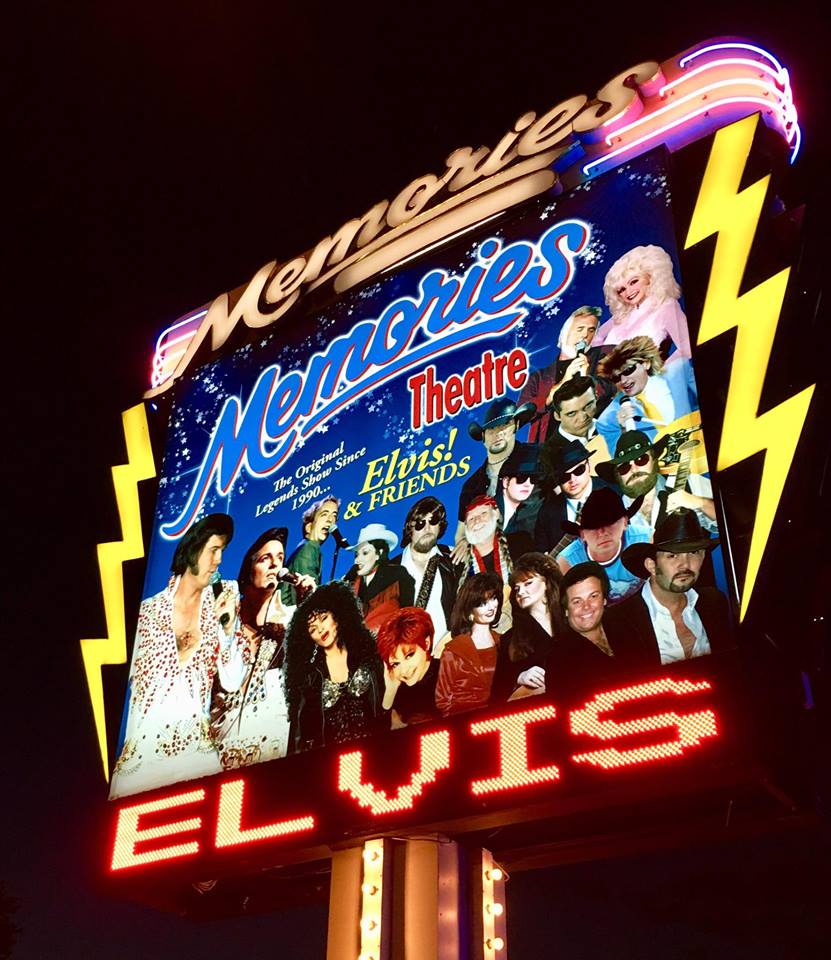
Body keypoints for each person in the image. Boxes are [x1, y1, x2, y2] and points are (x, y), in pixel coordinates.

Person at [110, 513, 245, 798]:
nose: (219, 560)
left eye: (222, 551)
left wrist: (228, 629)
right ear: (193, 550)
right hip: (141, 761)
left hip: (195, 755)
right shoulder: (146, 614)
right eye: (213, 550)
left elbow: (233, 680)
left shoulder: (222, 601)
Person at [210, 527, 314, 769]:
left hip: (269, 749)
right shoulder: (223, 621)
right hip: (216, 751)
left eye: (280, 558)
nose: (275, 565)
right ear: (249, 569)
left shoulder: (291, 621)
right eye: (265, 558)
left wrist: (307, 605)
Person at [610, 509, 731, 665]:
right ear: (651, 565)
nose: (685, 565)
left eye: (693, 552)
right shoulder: (621, 620)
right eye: (672, 555)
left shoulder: (715, 602)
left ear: (703, 557)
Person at [285, 581, 383, 752]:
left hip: (376, 751)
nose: (320, 629)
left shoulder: (366, 655)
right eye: (312, 629)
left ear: (337, 617)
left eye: (323, 618)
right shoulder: (310, 677)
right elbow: (300, 735)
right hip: (334, 761)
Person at [545, 561, 647, 699]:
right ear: (566, 610)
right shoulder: (558, 658)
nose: (586, 607)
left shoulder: (625, 626)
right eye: (577, 601)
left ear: (604, 599)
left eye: (593, 596)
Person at [453, 398, 537, 561]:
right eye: (491, 429)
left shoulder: (537, 456)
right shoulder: (471, 486)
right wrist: (464, 541)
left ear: (516, 425)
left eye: (505, 425)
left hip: (539, 555)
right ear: (483, 437)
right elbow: (460, 533)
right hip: (496, 564)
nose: (498, 433)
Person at [518, 306, 614, 441]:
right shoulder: (538, 378)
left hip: (595, 440)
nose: (585, 335)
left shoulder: (604, 355)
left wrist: (586, 378)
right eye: (580, 329)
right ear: (565, 332)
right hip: (550, 448)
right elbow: (520, 417)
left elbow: (611, 389)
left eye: (591, 330)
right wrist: (559, 386)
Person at [596, 336, 699, 457]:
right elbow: (622, 461)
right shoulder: (608, 419)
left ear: (646, 363)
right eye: (616, 378)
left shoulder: (679, 372)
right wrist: (624, 431)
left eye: (628, 370)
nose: (623, 381)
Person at [596, 429, 716, 533]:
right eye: (624, 467)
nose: (634, 469)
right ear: (617, 475)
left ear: (654, 460)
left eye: (641, 459)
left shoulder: (687, 482)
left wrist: (699, 502)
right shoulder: (612, 513)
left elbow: (726, 514)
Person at [594, 244, 692, 361]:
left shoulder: (666, 307)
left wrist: (659, 370)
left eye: (633, 282)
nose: (628, 292)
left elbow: (686, 348)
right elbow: (596, 337)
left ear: (650, 277)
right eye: (621, 290)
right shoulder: (623, 315)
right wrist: (600, 362)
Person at [556, 487, 651, 604]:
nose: (602, 533)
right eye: (593, 527)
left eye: (610, 523)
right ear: (582, 534)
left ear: (625, 522)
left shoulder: (647, 540)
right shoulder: (567, 563)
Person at [390, 497, 460, 652]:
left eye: (433, 521)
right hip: (409, 656)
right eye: (420, 523)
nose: (427, 528)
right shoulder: (390, 569)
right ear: (410, 529)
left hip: (449, 654)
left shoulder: (453, 559)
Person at [492, 553, 564, 702]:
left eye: (528, 583)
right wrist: (519, 677)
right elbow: (497, 694)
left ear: (546, 583)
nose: (521, 592)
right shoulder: (509, 640)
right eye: (517, 588)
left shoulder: (572, 622)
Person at [435, 572, 503, 717]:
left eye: (493, 598)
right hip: (464, 721)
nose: (491, 607)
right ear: (470, 611)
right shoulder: (453, 650)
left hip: (499, 719)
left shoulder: (504, 642)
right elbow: (443, 702)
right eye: (482, 603)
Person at [534, 440, 608, 556]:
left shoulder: (614, 492)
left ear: (589, 465)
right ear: (557, 479)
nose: (572, 480)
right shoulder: (546, 513)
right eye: (564, 476)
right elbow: (542, 556)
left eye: (579, 471)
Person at [344, 523, 415, 635]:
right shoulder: (353, 577)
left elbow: (409, 617)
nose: (357, 560)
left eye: (365, 553)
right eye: (356, 555)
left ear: (379, 553)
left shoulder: (398, 574)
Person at [376, 607, 441, 728]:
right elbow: (379, 732)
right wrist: (390, 691)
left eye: (409, 656)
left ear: (426, 644)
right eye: (396, 664)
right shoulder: (396, 689)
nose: (404, 670)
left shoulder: (447, 671)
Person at [540, 375, 611, 478]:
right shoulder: (547, 456)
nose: (583, 418)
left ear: (596, 397)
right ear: (557, 416)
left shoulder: (613, 424)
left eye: (588, 406)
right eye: (572, 413)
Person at [282, 496, 340, 601]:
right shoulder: (310, 547)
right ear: (308, 527)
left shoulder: (303, 547)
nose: (330, 520)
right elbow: (308, 592)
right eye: (324, 514)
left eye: (334, 516)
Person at [498, 447, 544, 561]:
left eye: (533, 479)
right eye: (521, 478)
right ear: (506, 482)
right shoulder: (491, 508)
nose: (527, 484)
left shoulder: (518, 518)